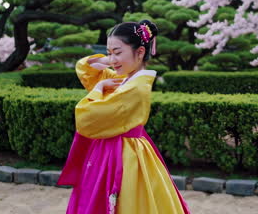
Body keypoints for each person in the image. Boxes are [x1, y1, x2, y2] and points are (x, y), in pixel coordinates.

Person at [57, 20, 190, 214]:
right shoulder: (127, 78)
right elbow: (86, 69)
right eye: (110, 52)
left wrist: (97, 90)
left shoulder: (134, 88)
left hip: (122, 155)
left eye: (118, 52)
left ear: (140, 52)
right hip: (122, 149)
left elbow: (88, 117)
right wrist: (106, 60)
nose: (112, 59)